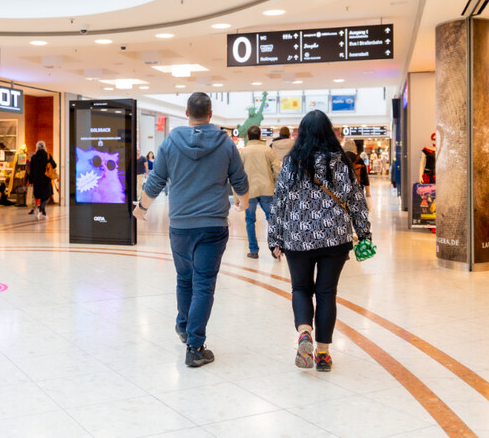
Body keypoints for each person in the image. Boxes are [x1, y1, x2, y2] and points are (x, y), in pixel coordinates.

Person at [135, 92, 249, 368]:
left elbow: (155, 182)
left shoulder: (171, 142)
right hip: (212, 226)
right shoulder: (225, 143)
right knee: (203, 285)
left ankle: (184, 325)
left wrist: (142, 208)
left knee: (185, 278)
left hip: (181, 227)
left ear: (187, 113)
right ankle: (195, 347)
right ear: (210, 115)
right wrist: (241, 203)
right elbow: (241, 182)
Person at [268, 110, 372, 372]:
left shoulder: (291, 162)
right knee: (326, 293)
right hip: (335, 237)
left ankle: (304, 332)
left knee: (301, 289)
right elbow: (356, 200)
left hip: (297, 237)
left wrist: (274, 239)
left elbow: (279, 202)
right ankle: (323, 354)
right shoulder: (341, 162)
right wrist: (364, 232)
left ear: (301, 134)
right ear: (329, 132)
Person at [239, 125, 280, 259]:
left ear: (248, 137)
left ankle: (253, 250)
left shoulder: (243, 152)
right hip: (267, 189)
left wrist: (238, 196)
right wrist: (277, 186)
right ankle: (275, 249)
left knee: (250, 221)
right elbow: (277, 169)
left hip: (249, 190)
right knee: (272, 219)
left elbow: (238, 174)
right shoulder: (267, 150)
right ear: (260, 136)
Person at [28, 141, 56, 220]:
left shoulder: (33, 157)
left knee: (38, 197)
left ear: (37, 147)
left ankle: (43, 213)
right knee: (47, 196)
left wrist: (30, 181)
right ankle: (39, 209)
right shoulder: (47, 156)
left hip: (36, 180)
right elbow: (54, 165)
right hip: (46, 180)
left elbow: (31, 170)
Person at [343, 139, 372, 212]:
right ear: (354, 148)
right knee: (357, 209)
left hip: (344, 188)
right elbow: (364, 177)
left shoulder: (341, 159)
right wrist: (368, 192)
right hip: (358, 188)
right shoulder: (359, 159)